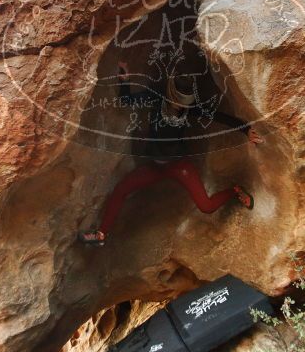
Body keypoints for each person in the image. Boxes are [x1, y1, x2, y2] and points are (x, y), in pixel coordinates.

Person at [78, 60, 262, 246]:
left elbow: (218, 116)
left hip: (178, 166)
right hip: (153, 167)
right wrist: (124, 80)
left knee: (206, 206)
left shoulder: (189, 108)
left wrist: (246, 129)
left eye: (183, 103)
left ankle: (235, 191)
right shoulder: (156, 96)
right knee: (120, 190)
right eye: (178, 101)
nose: (179, 107)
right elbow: (126, 100)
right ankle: (101, 235)